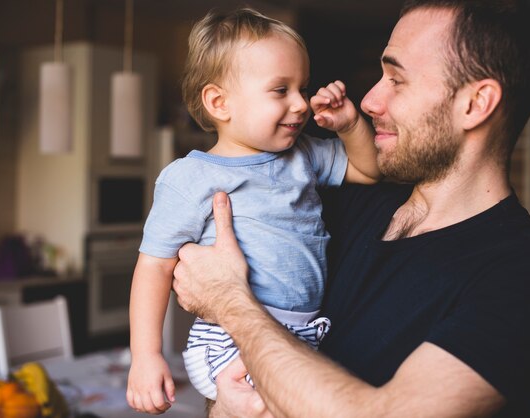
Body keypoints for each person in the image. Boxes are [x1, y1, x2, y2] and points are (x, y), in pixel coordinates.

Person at [171, 0, 530, 417]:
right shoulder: (322, 205)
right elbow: (230, 394)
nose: (369, 100)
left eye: (397, 79)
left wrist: (231, 303)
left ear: (475, 104)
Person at [126, 7, 381, 414]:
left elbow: (369, 171)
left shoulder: (305, 155)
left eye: (303, 87)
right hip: (229, 337)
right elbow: (153, 267)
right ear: (219, 102)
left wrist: (350, 127)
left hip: (302, 333)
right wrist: (145, 356)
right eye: (280, 90)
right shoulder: (190, 178)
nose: (301, 104)